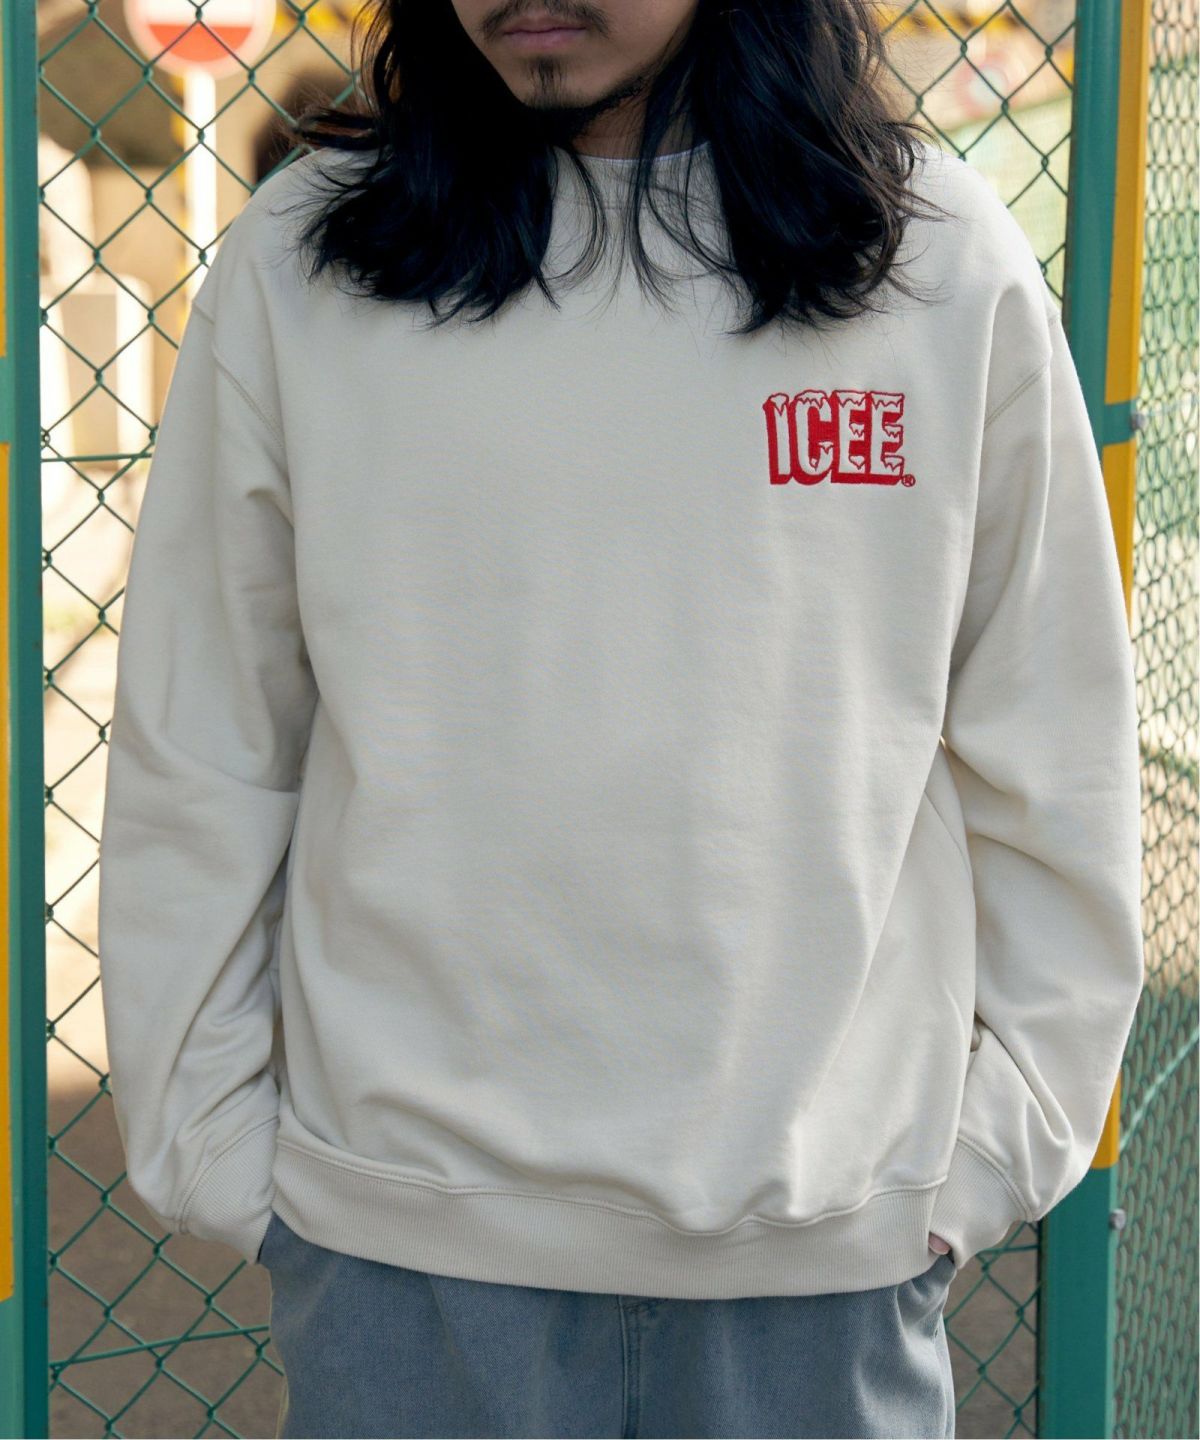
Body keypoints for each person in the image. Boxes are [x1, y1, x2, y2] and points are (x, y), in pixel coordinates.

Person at [97, 0, 1146, 1435]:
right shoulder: (303, 264)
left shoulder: (937, 263)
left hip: (825, 1265)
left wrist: (988, 1159)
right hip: (403, 1255)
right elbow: (205, 739)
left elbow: (1055, 746)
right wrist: (223, 1154)